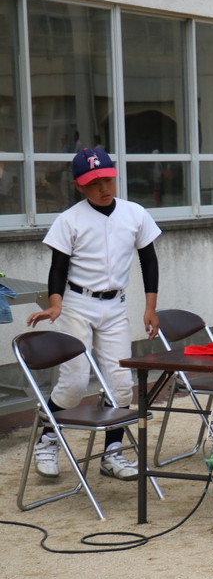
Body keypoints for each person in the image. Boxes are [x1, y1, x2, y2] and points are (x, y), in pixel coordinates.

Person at [27, 148, 161, 481]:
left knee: (121, 383)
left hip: (114, 306)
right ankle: (48, 440)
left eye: (107, 180)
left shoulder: (134, 213)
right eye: (93, 183)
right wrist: (55, 303)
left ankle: (112, 453)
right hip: (77, 304)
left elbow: (149, 260)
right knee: (74, 383)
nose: (103, 188)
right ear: (79, 185)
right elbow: (58, 267)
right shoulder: (70, 219)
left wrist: (150, 307)